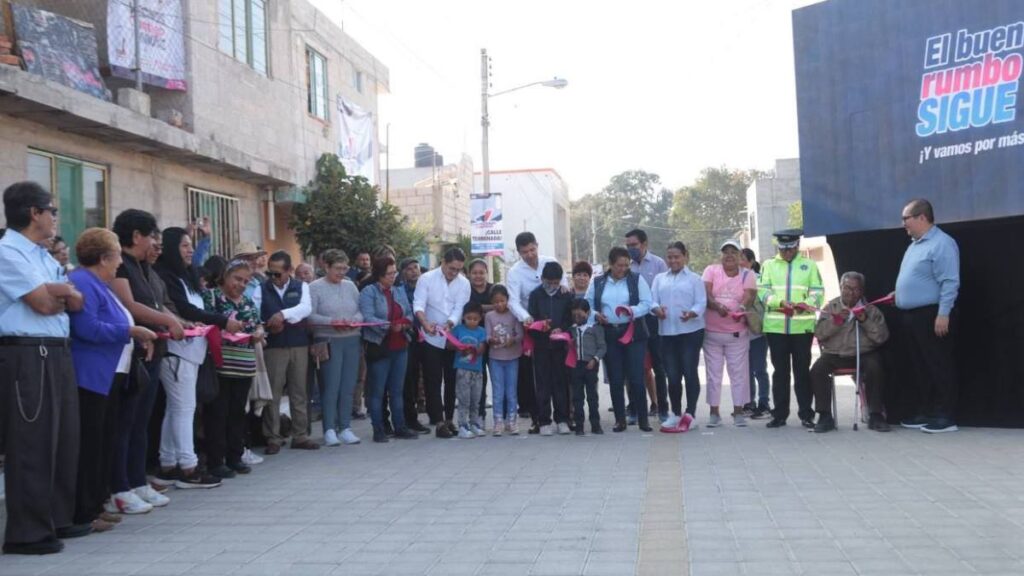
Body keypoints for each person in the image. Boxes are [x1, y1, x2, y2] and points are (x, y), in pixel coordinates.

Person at [0, 182, 85, 554]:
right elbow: (43, 303)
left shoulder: (42, 255)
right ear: (33, 213)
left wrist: (62, 292)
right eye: (51, 210)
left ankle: (56, 517)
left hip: (56, 349)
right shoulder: (7, 251)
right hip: (27, 352)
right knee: (32, 443)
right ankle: (27, 532)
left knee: (64, 437)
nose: (55, 217)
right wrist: (61, 294)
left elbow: (74, 299)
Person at [69, 229, 159, 534]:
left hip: (111, 373)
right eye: (117, 255)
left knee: (105, 440)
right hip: (92, 374)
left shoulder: (100, 284)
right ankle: (83, 510)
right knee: (91, 445)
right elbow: (88, 328)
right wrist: (131, 333)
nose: (120, 262)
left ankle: (96, 503)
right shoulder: (83, 282)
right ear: (104, 257)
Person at [108, 209, 183, 512]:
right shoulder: (121, 266)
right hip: (132, 353)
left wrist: (171, 320)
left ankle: (138, 481)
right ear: (136, 236)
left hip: (153, 350)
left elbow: (154, 302)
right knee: (124, 423)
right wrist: (167, 320)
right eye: (151, 235)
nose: (154, 242)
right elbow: (130, 306)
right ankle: (119, 486)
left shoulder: (143, 267)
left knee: (141, 422)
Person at [152, 227, 232, 488]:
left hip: (192, 350)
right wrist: (222, 321)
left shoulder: (186, 276)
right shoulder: (165, 276)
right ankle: (189, 467)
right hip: (177, 352)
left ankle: (168, 462)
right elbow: (185, 309)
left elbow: (197, 308)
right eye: (184, 246)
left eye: (191, 245)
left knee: (176, 409)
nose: (189, 251)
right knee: (184, 409)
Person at [895, 198, 960, 433]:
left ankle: (946, 415)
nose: (903, 224)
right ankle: (927, 411)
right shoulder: (914, 245)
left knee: (938, 364)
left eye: (906, 219)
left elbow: (950, 281)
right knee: (920, 366)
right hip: (911, 316)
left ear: (922, 217)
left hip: (931, 315)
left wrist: (944, 314)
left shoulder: (942, 243)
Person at [203, 259, 265, 478]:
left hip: (245, 364)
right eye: (237, 279)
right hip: (221, 364)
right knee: (218, 414)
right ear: (225, 276)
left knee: (238, 413)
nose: (240, 284)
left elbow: (258, 324)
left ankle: (235, 457)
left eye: (246, 281)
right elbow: (206, 324)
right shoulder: (211, 297)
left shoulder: (248, 301)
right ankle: (216, 460)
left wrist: (258, 333)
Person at [758, 229, 824, 429]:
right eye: (783, 248)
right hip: (776, 328)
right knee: (780, 373)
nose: (787, 252)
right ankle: (779, 414)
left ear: (797, 246)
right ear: (778, 247)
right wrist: (779, 301)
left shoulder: (809, 265)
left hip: (801, 328)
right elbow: (763, 291)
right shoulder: (768, 265)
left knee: (802, 372)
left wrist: (805, 303)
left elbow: (818, 292)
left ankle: (806, 414)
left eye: (791, 248)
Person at [810, 272, 890, 433]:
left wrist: (864, 321)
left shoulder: (870, 309)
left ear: (862, 291)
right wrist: (835, 322)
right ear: (841, 288)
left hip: (864, 352)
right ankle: (825, 415)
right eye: (847, 288)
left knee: (875, 366)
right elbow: (819, 333)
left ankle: (875, 414)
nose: (851, 293)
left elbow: (881, 337)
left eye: (856, 289)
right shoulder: (831, 307)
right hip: (835, 353)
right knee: (817, 370)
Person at [587, 246, 654, 432]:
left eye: (626, 265)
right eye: (619, 265)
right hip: (609, 333)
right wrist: (595, 314)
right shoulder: (598, 282)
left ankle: (643, 418)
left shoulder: (636, 280)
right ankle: (620, 419)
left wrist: (632, 311)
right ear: (610, 264)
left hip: (633, 332)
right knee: (616, 378)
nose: (623, 269)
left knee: (636, 377)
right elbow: (587, 304)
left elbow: (647, 303)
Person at [260, 251, 319, 454]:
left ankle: (300, 434)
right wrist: (271, 323)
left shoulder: (300, 286)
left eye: (277, 273)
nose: (273, 278)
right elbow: (257, 311)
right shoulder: (261, 288)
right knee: (273, 393)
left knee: (299, 391)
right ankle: (273, 437)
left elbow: (305, 308)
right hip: (274, 345)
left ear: (289, 271)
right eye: (270, 273)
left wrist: (282, 315)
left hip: (298, 343)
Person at [359, 256, 418, 443]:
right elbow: (367, 317)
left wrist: (402, 324)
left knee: (397, 390)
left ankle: (400, 426)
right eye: (389, 274)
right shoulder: (369, 292)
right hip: (380, 346)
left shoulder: (398, 291)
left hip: (400, 345)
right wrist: (388, 325)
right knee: (377, 391)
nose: (393, 277)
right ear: (379, 274)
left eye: (394, 273)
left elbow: (409, 313)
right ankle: (379, 428)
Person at [308, 249, 364, 446]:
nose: (342, 272)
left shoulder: (350, 286)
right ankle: (329, 429)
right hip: (328, 340)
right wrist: (332, 321)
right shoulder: (314, 287)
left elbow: (360, 310)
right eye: (338, 268)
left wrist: (353, 320)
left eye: (345, 268)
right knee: (331, 386)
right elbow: (310, 316)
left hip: (351, 338)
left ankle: (345, 427)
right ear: (326, 267)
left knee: (348, 385)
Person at [414, 247, 470, 438]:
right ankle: (437, 421)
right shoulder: (426, 279)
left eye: (458, 270)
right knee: (433, 379)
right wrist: (424, 323)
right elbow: (419, 305)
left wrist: (450, 323)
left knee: (452, 379)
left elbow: (459, 308)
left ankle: (449, 419)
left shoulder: (463, 283)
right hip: (430, 337)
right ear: (443, 263)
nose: (454, 273)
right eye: (451, 268)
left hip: (452, 337)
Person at [651, 242, 706, 432]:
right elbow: (652, 301)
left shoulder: (694, 279)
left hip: (691, 332)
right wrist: (656, 310)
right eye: (670, 257)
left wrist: (692, 313)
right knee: (672, 376)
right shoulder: (659, 279)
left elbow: (701, 302)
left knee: (689, 372)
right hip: (667, 333)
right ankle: (675, 413)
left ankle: (690, 414)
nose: (673, 260)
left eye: (677, 257)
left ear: (685, 256)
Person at [702, 240, 757, 427]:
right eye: (726, 252)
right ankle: (714, 413)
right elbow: (706, 294)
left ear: (740, 255)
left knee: (739, 374)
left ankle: (739, 412)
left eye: (734, 251)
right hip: (712, 334)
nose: (729, 255)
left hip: (737, 334)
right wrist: (717, 306)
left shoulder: (747, 274)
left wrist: (741, 307)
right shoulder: (711, 270)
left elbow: (750, 296)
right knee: (713, 374)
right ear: (721, 255)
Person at [506, 232, 559, 427]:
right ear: (519, 252)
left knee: (558, 373)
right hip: (532, 327)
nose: (529, 255)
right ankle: (538, 417)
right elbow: (513, 301)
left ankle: (564, 414)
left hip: (555, 325)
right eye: (524, 252)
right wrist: (527, 319)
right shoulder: (514, 272)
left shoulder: (550, 262)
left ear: (537, 245)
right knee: (535, 376)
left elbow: (562, 288)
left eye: (532, 249)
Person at [625, 229, 669, 421]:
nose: (630, 249)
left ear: (644, 244)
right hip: (634, 320)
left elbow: (664, 290)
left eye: (633, 245)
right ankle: (634, 408)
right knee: (635, 366)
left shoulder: (658, 264)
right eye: (628, 246)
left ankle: (662, 408)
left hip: (654, 320)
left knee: (659, 367)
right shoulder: (626, 266)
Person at [528, 261, 575, 436]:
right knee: (542, 384)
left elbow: (570, 319)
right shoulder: (535, 295)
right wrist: (541, 326)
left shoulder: (565, 295)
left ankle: (562, 419)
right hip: (541, 346)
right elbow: (530, 320)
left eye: (556, 283)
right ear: (542, 279)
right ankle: (544, 421)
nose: (553, 286)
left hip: (560, 346)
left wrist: (561, 329)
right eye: (549, 282)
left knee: (560, 383)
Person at [485, 285, 522, 435]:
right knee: (498, 391)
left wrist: (513, 340)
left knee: (511, 391)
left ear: (508, 300)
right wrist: (491, 340)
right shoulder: (489, 316)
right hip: (495, 358)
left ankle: (512, 421)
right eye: (495, 302)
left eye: (502, 301)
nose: (499, 304)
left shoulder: (514, 314)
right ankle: (498, 421)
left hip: (512, 357)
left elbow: (520, 334)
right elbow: (487, 335)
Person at [740, 248, 771, 418]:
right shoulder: (735, 280)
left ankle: (764, 404)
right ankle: (748, 403)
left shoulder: (759, 280)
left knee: (759, 369)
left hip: (757, 333)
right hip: (741, 334)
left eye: (743, 259)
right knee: (746, 370)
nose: (740, 263)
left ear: (751, 262)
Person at [568, 299, 606, 436]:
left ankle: (595, 424)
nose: (577, 318)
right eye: (575, 316)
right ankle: (579, 425)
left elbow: (602, 347)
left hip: (590, 365)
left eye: (580, 315)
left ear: (588, 313)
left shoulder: (595, 328)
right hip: (576, 365)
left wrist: (595, 359)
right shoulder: (571, 329)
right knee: (577, 397)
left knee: (592, 396)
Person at [451, 301, 488, 438]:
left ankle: (474, 423)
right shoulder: (458, 329)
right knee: (463, 399)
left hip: (477, 370)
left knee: (476, 398)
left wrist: (475, 350)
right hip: (462, 370)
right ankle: (462, 425)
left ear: (480, 319)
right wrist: (459, 348)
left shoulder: (481, 331)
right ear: (463, 317)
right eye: (469, 318)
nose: (472, 321)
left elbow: (483, 347)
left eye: (475, 319)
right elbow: (449, 344)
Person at [467, 258, 493, 420]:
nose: (478, 276)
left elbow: (503, 305)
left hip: (493, 339)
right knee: (477, 377)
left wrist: (479, 308)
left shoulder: (493, 289)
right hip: (473, 340)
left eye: (481, 273)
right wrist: (490, 308)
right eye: (474, 273)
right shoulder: (466, 290)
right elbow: (467, 309)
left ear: (486, 273)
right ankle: (478, 413)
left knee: (497, 378)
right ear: (469, 274)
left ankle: (503, 415)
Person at [233, 241, 267, 310]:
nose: (255, 262)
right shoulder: (232, 284)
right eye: (250, 259)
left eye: (256, 258)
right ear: (238, 261)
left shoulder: (259, 283)